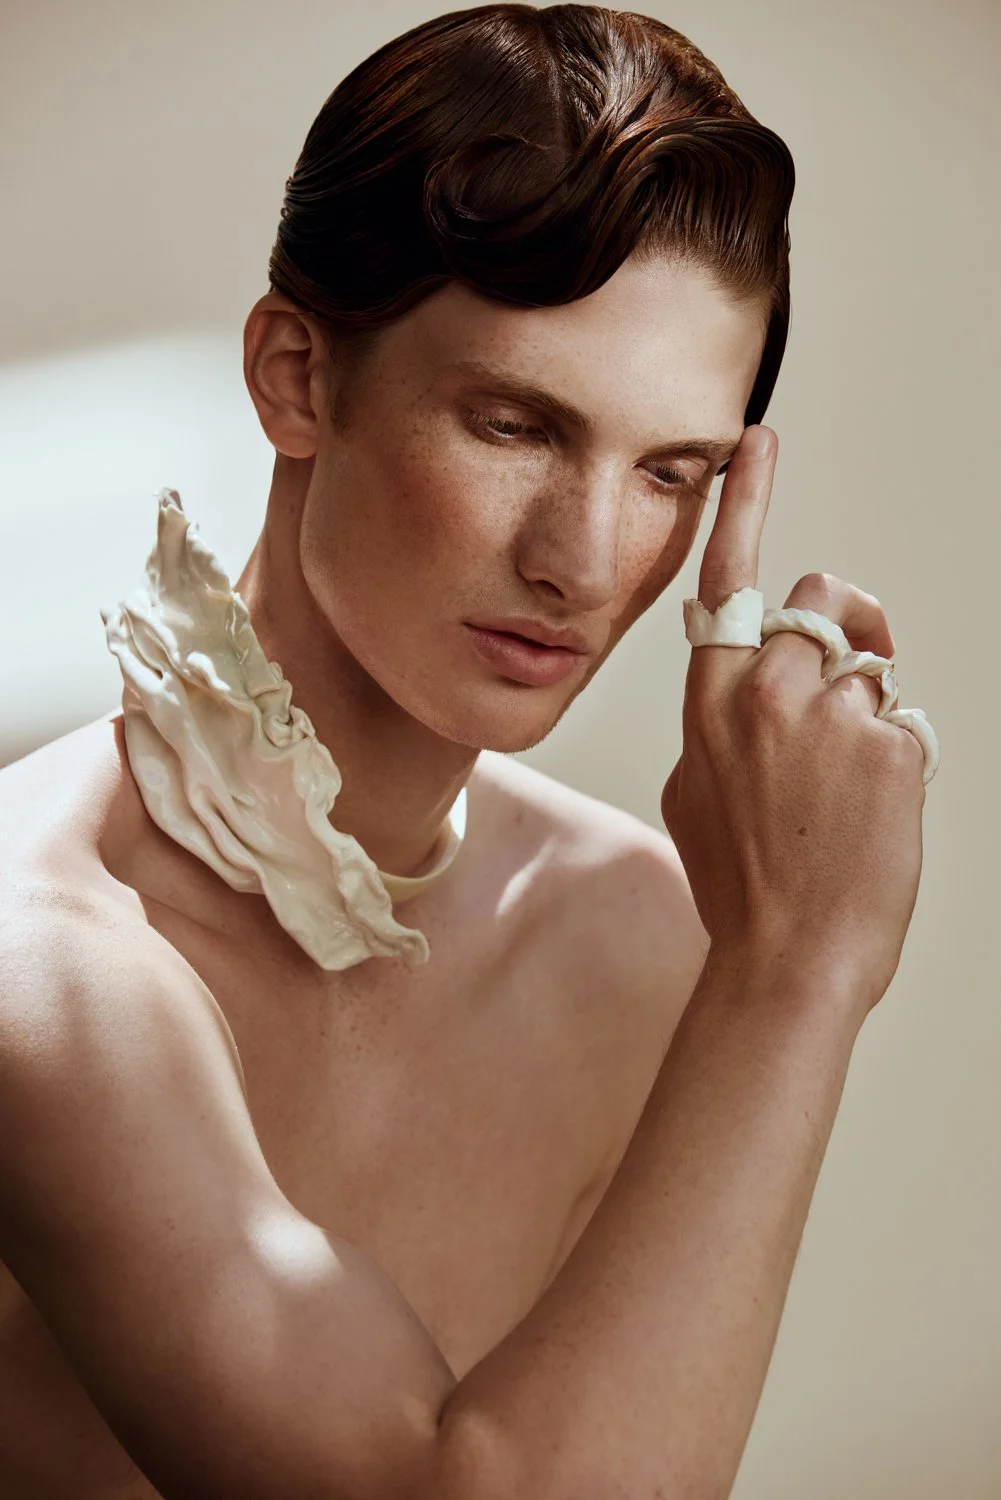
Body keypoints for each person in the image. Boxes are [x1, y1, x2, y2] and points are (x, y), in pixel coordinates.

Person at [0, 5, 931, 1498]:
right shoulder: (42, 954)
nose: (585, 558)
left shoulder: (639, 931)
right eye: (514, 425)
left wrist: (759, 960)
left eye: (669, 472)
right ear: (297, 375)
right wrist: (803, 965)